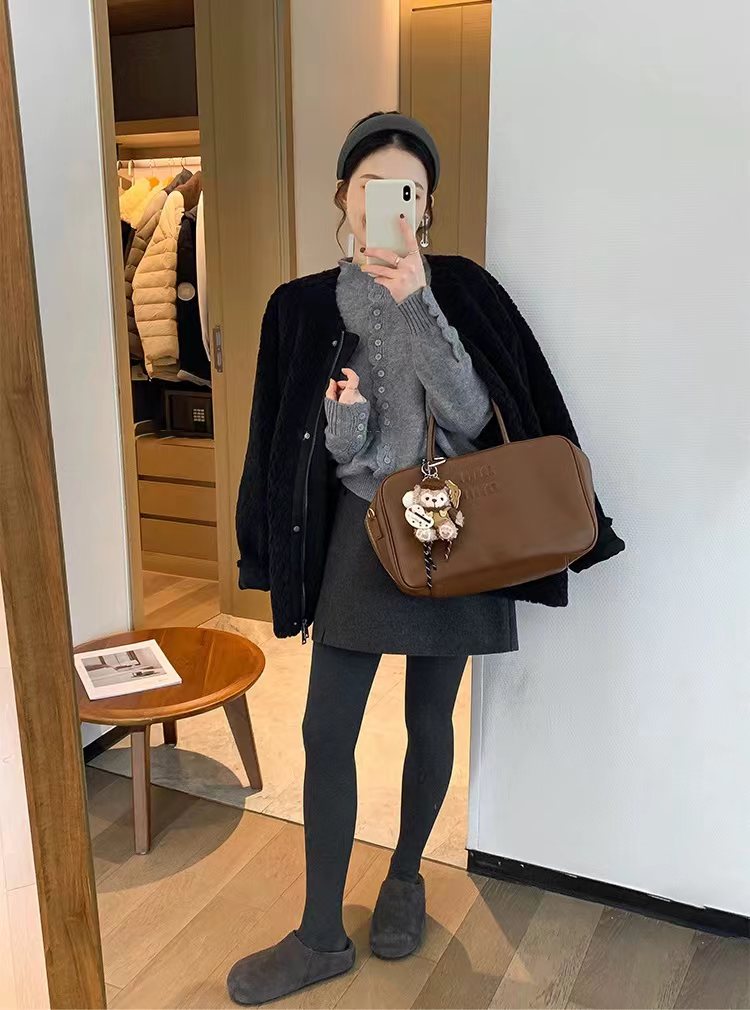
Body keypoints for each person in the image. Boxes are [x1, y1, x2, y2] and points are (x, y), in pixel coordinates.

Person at [229, 111, 625, 1004]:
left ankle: (405, 875)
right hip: (360, 532)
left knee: (430, 717)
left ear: (427, 206)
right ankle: (320, 935)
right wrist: (341, 430)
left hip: (457, 533)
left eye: (406, 191)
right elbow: (295, 448)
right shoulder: (300, 307)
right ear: (343, 197)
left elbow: (482, 416)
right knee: (326, 730)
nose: (388, 205)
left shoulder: (465, 291)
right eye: (371, 187)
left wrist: (417, 303)